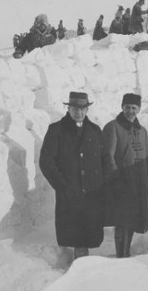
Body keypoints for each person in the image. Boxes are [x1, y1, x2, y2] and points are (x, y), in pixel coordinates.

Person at [39, 92, 112, 259]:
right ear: (68, 109)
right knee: (77, 235)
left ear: (87, 110)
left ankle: (83, 268)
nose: (78, 113)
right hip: (70, 192)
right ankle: (79, 271)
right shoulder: (57, 130)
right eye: (74, 109)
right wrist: (62, 184)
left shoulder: (94, 130)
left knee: (88, 233)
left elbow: (105, 158)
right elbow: (46, 161)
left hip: (92, 192)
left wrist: (103, 181)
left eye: (82, 109)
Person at [103, 93, 148, 258]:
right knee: (122, 219)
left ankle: (126, 252)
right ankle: (122, 254)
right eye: (127, 107)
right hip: (121, 180)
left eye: (134, 108)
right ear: (122, 107)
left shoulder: (142, 131)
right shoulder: (112, 127)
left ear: (139, 109)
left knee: (133, 218)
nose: (130, 111)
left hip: (139, 180)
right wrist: (114, 180)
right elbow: (107, 156)